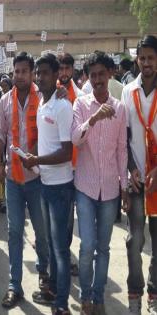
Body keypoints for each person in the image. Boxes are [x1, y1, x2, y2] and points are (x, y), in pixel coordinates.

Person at [71, 51, 128, 315]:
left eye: (101, 74)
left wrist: (124, 187)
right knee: (87, 246)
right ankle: (84, 294)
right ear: (87, 78)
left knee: (103, 247)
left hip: (110, 189)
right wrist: (93, 119)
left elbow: (121, 151)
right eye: (92, 75)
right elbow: (75, 139)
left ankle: (98, 295)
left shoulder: (121, 108)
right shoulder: (81, 105)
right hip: (85, 186)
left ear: (110, 74)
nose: (97, 80)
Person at [0, 52, 50, 309]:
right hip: (13, 179)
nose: (19, 76)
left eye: (24, 72)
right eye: (16, 71)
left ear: (32, 73)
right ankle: (14, 285)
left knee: (42, 232)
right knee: (14, 232)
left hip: (39, 179)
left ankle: (44, 275)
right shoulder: (5, 100)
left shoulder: (44, 98)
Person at [23, 54, 74, 315]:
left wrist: (37, 158)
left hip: (61, 188)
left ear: (56, 76)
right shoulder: (43, 105)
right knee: (53, 246)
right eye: (38, 73)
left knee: (60, 249)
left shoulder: (62, 107)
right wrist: (30, 159)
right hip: (45, 182)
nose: (40, 77)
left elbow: (66, 152)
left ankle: (62, 304)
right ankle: (53, 290)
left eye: (45, 73)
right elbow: (46, 143)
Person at [121, 35, 157, 315]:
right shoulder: (128, 90)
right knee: (134, 241)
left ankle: (154, 291)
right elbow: (126, 135)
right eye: (142, 58)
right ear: (137, 60)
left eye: (151, 58)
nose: (146, 63)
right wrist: (131, 167)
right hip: (136, 180)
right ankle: (134, 293)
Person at [58, 52, 85, 277]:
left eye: (68, 68)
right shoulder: (47, 93)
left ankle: (64, 257)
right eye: (62, 68)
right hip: (51, 163)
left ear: (73, 70)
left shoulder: (80, 95)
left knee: (68, 215)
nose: (64, 73)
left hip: (73, 165)